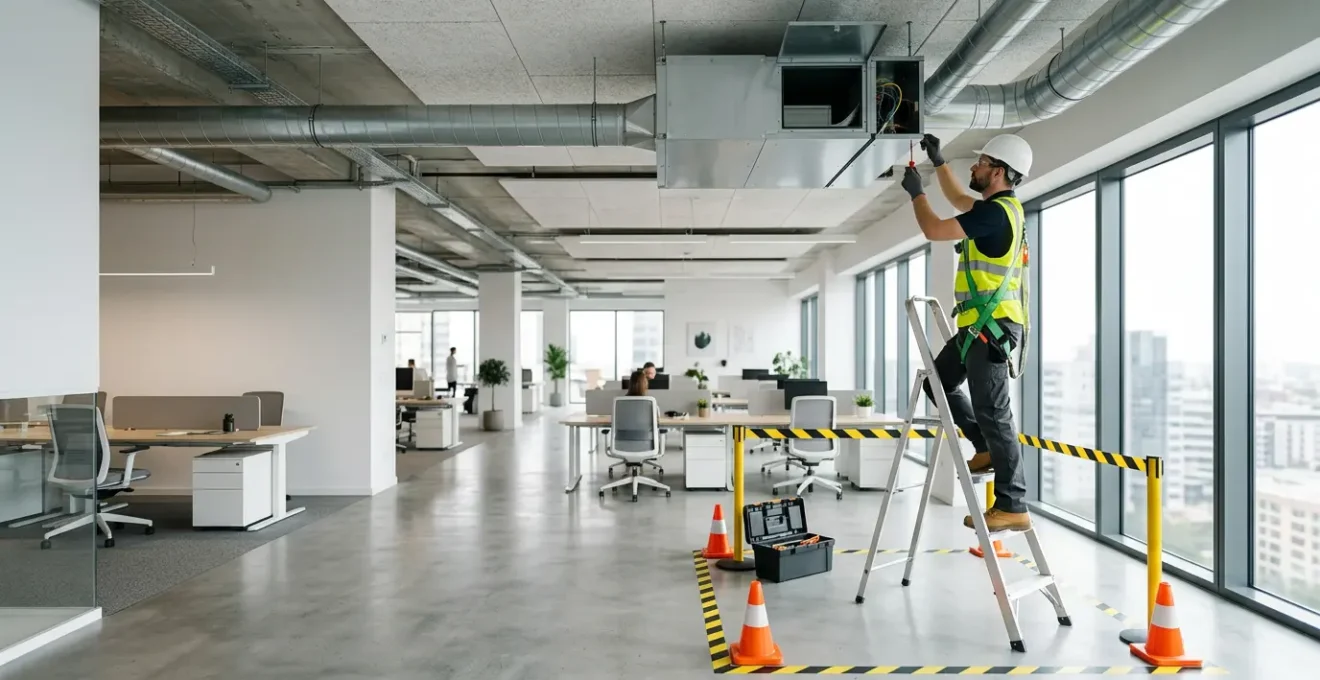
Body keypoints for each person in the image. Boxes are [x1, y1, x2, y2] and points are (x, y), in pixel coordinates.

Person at [899, 132, 1033, 533]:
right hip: (977, 327)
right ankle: (984, 447)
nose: (974, 167)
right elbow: (959, 200)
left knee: (996, 413)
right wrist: (939, 162)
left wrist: (916, 194)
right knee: (937, 382)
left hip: (992, 329)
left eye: (981, 163)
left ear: (999, 172)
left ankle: (1013, 504)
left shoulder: (996, 215)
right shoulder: (998, 209)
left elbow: (934, 229)